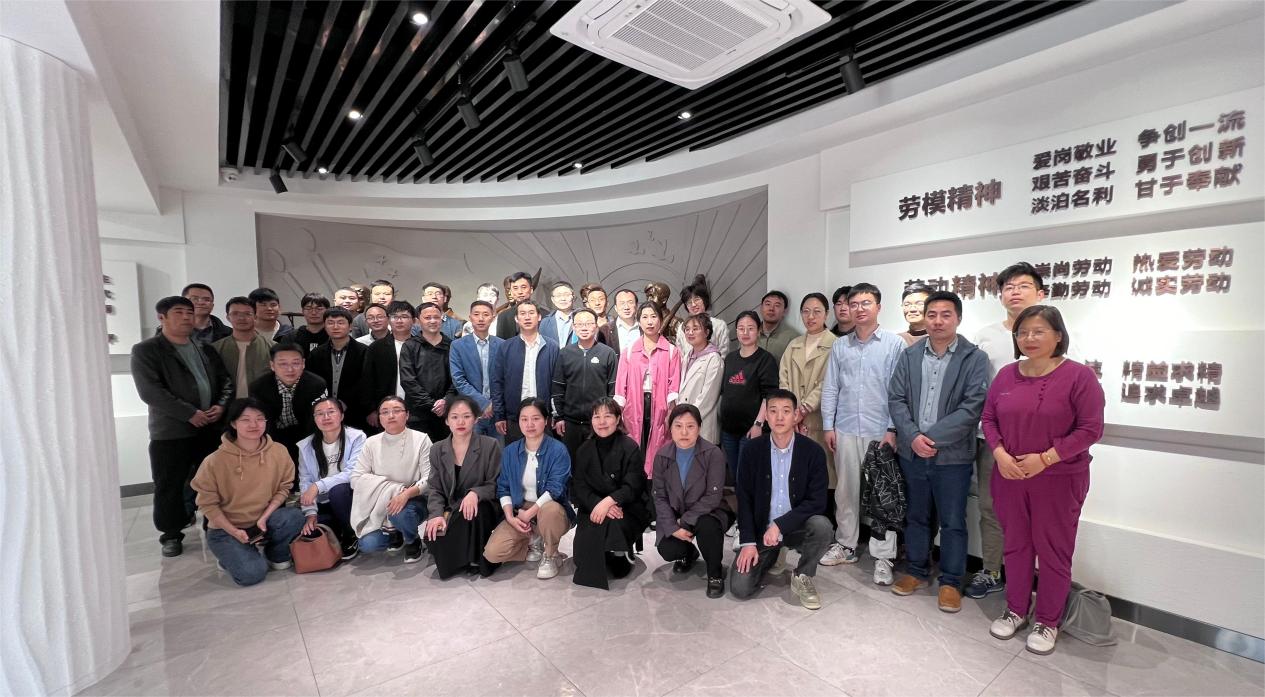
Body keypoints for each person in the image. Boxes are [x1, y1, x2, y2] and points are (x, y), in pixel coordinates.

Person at [984, 305, 1104, 656]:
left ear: (1058, 336)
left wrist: (1046, 458)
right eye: (1022, 332)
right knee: (1016, 544)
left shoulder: (1079, 377)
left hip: (1059, 478)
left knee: (1054, 550)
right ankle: (1016, 609)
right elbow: (989, 418)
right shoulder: (1006, 375)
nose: (1029, 338)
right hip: (1009, 474)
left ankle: (1048, 620)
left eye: (1038, 331)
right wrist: (999, 453)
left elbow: (1091, 429)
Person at [887, 291, 991, 613]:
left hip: (953, 457)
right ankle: (917, 571)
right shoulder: (910, 355)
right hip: (912, 454)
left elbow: (972, 407)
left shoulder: (974, 358)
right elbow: (896, 398)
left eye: (946, 315)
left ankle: (951, 581)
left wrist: (928, 439)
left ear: (958, 318)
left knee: (953, 521)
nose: (937, 321)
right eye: (932, 314)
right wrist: (912, 437)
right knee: (916, 516)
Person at [966, 261, 1047, 600]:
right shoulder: (985, 335)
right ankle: (992, 570)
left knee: (1038, 513)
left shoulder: (1054, 335)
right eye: (1008, 287)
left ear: (1040, 293)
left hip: (1041, 445)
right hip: (992, 440)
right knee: (990, 507)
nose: (1014, 292)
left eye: (1023, 286)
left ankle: (1032, 578)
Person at [131, 296, 234, 557]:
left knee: (214, 480)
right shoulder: (147, 350)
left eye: (190, 312)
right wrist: (189, 413)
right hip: (171, 431)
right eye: (179, 312)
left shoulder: (205, 348)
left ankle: (215, 525)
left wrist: (220, 406)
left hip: (209, 427)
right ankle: (171, 534)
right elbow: (151, 391)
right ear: (162, 317)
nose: (187, 317)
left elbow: (225, 381)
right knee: (170, 484)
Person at [819, 283, 906, 583]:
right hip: (845, 428)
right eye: (853, 304)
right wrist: (828, 425)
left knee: (883, 496)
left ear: (878, 307)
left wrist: (892, 428)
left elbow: (899, 392)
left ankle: (883, 556)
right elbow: (831, 387)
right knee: (845, 491)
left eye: (865, 303)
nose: (859, 309)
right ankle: (846, 544)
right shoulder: (841, 346)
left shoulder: (894, 344)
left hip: (879, 432)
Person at [729, 389, 832, 609]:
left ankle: (802, 575)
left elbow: (817, 501)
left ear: (795, 415)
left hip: (795, 527)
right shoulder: (752, 450)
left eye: (786, 411)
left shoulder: (813, 452)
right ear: (766, 416)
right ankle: (773, 554)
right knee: (740, 587)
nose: (779, 417)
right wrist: (748, 543)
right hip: (762, 531)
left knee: (822, 526)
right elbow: (744, 499)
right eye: (773, 411)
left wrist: (779, 525)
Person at [192, 398, 304, 586]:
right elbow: (207, 504)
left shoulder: (278, 451)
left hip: (262, 524)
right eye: (246, 420)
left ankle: (276, 554)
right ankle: (233, 554)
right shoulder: (214, 461)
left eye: (260, 419)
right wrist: (234, 531)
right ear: (233, 423)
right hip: (226, 529)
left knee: (294, 516)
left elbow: (284, 488)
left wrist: (264, 518)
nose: (254, 425)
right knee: (252, 574)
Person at [483, 398, 574, 580]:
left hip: (550, 509)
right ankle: (534, 541)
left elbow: (555, 489)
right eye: (524, 419)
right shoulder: (510, 451)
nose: (530, 424)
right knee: (493, 553)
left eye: (536, 418)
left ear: (546, 420)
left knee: (550, 511)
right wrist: (510, 517)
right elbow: (503, 487)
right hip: (520, 509)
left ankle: (551, 554)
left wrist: (529, 514)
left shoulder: (558, 450)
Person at [652, 404, 732, 598]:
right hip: (677, 512)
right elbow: (659, 496)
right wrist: (672, 526)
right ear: (670, 428)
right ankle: (689, 554)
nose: (684, 432)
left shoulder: (713, 454)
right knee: (667, 549)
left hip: (710, 511)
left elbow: (713, 497)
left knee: (707, 526)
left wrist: (684, 521)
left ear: (699, 428)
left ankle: (715, 574)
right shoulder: (662, 455)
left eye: (690, 426)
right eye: (678, 426)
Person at [571, 398, 650, 590]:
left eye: (607, 416)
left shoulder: (630, 447)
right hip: (593, 506)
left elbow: (634, 485)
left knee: (615, 527)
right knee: (581, 556)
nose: (602, 422)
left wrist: (609, 502)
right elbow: (579, 486)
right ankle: (605, 550)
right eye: (596, 417)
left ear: (618, 419)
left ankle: (620, 553)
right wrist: (598, 504)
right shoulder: (584, 450)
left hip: (626, 506)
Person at [422, 397, 504, 579]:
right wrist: (436, 515)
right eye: (454, 417)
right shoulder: (437, 449)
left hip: (484, 506)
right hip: (453, 508)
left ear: (476, 419)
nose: (460, 422)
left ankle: (476, 559)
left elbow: (496, 484)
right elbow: (435, 489)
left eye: (466, 416)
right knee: (433, 538)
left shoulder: (490, 445)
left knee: (476, 511)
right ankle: (465, 555)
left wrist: (475, 493)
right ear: (446, 421)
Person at [350, 396, 433, 563]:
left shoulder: (421, 439)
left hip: (414, 499)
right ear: (379, 417)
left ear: (407, 415)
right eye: (385, 412)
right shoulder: (371, 443)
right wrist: (394, 490)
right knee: (368, 545)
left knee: (401, 514)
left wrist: (406, 494)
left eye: (397, 411)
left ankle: (412, 540)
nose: (391, 416)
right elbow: (355, 479)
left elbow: (429, 478)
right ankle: (396, 534)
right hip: (381, 504)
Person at [614, 301, 681, 475]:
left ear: (660, 320)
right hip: (635, 403)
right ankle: (635, 481)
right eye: (644, 317)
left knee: (658, 443)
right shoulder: (629, 351)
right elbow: (621, 384)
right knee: (635, 441)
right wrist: (619, 410)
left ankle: (655, 483)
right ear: (639, 321)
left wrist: (670, 409)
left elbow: (674, 384)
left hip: (660, 404)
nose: (649, 321)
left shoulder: (671, 351)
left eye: (653, 316)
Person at [296, 397, 365, 559]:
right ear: (314, 419)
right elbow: (305, 480)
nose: (325, 417)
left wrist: (318, 485)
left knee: (337, 491)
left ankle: (351, 534)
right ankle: (339, 529)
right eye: (319, 414)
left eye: (331, 412)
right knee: (311, 531)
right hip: (323, 502)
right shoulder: (306, 446)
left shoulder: (357, 437)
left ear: (341, 415)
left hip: (349, 497)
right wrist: (310, 513)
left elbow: (353, 472)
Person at [550, 308, 618, 458]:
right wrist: (559, 417)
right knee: (572, 464)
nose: (584, 327)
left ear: (596, 326)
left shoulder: (608, 353)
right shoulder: (564, 353)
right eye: (579, 324)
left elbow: (613, 390)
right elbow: (557, 388)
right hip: (570, 423)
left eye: (588, 323)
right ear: (573, 327)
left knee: (598, 462)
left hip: (598, 421)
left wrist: (608, 417)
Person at [718, 310, 779, 477]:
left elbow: (769, 396)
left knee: (746, 476)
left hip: (751, 429)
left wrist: (758, 424)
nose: (745, 332)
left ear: (758, 331)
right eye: (741, 328)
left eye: (750, 328)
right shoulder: (730, 359)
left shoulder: (766, 359)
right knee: (734, 474)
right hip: (728, 429)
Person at [248, 343, 329, 465]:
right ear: (272, 365)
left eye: (295, 363)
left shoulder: (317, 385)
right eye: (283, 364)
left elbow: (316, 420)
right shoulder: (258, 387)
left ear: (303, 364)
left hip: (307, 435)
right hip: (273, 436)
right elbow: (262, 421)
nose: (290, 369)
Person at [491, 301, 559, 444]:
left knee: (544, 454)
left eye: (531, 313)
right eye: (522, 314)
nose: (527, 317)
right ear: (516, 318)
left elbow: (557, 384)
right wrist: (499, 415)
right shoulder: (506, 347)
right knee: (515, 454)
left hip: (543, 415)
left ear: (539, 317)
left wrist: (556, 414)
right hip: (514, 416)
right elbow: (497, 382)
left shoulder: (552, 347)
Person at [779, 293, 837, 459]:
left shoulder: (836, 344)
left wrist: (803, 409)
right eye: (806, 311)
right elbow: (784, 379)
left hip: (820, 422)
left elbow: (828, 383)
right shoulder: (793, 344)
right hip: (792, 422)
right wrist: (791, 412)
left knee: (821, 467)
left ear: (826, 314)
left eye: (817, 311)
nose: (810, 316)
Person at [399, 302, 457, 442]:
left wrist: (445, 401)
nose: (432, 321)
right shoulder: (410, 346)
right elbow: (408, 380)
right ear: (418, 321)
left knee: (446, 452)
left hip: (447, 412)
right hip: (418, 414)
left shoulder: (453, 346)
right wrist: (432, 405)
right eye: (427, 317)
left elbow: (457, 378)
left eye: (436, 317)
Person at [450, 300, 504, 439]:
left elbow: (506, 378)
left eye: (485, 314)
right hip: (471, 410)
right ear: (470, 317)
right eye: (476, 314)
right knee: (472, 450)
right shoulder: (457, 345)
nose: (481, 318)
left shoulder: (502, 345)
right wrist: (483, 403)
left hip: (497, 411)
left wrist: (493, 404)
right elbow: (459, 380)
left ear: (493, 317)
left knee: (498, 450)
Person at [308, 307, 368, 428]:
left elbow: (366, 382)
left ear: (350, 326)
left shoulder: (364, 351)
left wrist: (345, 403)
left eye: (340, 322)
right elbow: (312, 382)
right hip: (324, 412)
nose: (335, 327)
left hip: (356, 411)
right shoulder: (316, 354)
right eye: (330, 323)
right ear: (324, 326)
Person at [362, 300, 417, 430]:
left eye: (404, 316)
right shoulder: (376, 347)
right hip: (385, 407)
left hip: (416, 408)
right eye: (394, 317)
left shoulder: (421, 346)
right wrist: (371, 409)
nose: (399, 321)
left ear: (414, 320)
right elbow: (368, 380)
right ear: (388, 320)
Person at [212, 296, 274, 399]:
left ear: (255, 316)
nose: (241, 318)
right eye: (235, 313)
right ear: (228, 317)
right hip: (227, 406)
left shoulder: (273, 348)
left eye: (247, 314)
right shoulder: (215, 349)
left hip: (262, 405)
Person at [678, 313, 723, 444]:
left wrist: (688, 418)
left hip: (702, 422)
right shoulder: (687, 356)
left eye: (695, 328)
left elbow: (708, 398)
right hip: (684, 420)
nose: (690, 332)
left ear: (707, 332)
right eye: (687, 329)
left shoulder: (714, 359)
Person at [675, 275, 729, 357]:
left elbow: (723, 354)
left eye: (697, 299)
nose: (693, 304)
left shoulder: (719, 325)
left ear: (704, 300)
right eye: (689, 302)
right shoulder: (681, 328)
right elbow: (680, 355)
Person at [757, 290, 799, 362]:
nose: (771, 309)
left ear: (784, 311)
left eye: (777, 305)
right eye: (768, 304)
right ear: (761, 308)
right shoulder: (750, 333)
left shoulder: (794, 338)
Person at [495, 271, 535, 339]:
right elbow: (501, 343)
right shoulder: (503, 316)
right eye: (515, 288)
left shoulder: (545, 315)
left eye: (523, 287)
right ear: (511, 291)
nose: (520, 292)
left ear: (531, 289)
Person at [600, 288, 640, 354]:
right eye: (622, 303)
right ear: (616, 308)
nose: (626, 307)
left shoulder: (644, 327)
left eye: (630, 302)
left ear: (637, 306)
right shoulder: (605, 330)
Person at [539, 281, 578, 347]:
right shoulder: (545, 322)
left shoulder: (581, 318)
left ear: (573, 297)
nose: (563, 299)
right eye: (558, 295)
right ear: (553, 299)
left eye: (566, 295)